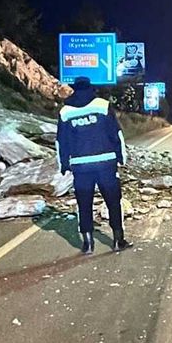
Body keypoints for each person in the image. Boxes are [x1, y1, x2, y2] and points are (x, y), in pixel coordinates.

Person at [56, 77, 132, 255]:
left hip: (81, 166)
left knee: (84, 204)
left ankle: (88, 244)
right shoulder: (103, 105)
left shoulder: (65, 111)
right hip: (105, 163)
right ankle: (118, 240)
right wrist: (122, 157)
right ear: (91, 89)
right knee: (114, 202)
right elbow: (116, 133)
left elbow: (61, 141)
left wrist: (64, 165)